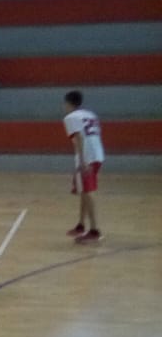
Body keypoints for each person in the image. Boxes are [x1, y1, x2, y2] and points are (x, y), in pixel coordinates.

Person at [62, 90, 105, 243]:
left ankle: (94, 230)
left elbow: (78, 138)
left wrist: (81, 161)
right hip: (98, 153)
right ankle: (81, 225)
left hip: (87, 157)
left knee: (88, 192)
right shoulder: (90, 114)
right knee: (84, 191)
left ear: (68, 103)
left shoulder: (70, 118)